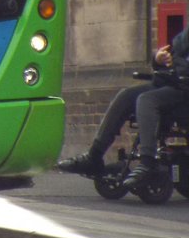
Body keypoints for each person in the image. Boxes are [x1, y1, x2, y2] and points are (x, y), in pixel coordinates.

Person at [56, 27, 189, 189]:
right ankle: (94, 156)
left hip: (183, 94)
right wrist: (159, 59)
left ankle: (148, 162)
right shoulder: (184, 38)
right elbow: (171, 57)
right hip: (173, 85)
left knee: (147, 99)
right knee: (126, 95)